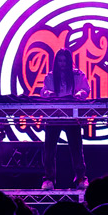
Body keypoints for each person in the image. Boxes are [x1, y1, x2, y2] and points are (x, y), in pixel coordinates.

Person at [39, 47, 90, 191]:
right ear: (56, 62)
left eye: (65, 61)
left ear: (69, 62)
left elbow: (85, 89)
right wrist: (48, 93)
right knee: (49, 150)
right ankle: (48, 179)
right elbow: (44, 91)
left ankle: (80, 178)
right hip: (53, 115)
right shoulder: (50, 76)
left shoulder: (78, 75)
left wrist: (80, 94)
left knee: (76, 149)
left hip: (71, 115)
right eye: (60, 61)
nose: (62, 64)